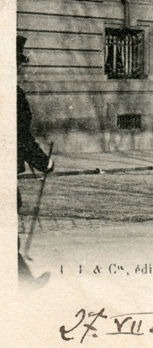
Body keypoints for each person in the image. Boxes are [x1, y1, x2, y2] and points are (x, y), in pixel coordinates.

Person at [17, 36, 55, 285]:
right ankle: (22, 284)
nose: (23, 71)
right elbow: (19, 134)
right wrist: (43, 162)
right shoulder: (12, 93)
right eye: (20, 66)